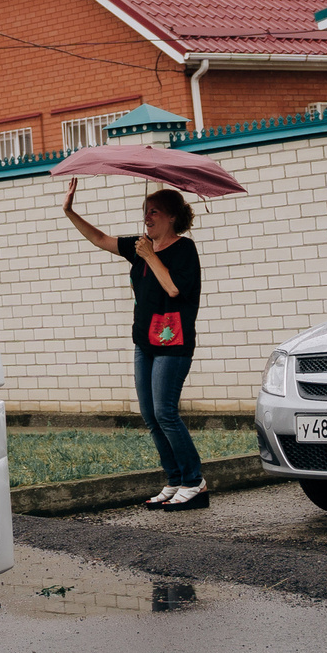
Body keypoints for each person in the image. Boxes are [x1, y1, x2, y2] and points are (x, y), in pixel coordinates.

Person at [62, 180, 207, 509]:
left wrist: (150, 256)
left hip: (173, 342)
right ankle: (175, 479)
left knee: (166, 412)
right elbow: (100, 239)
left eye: (154, 212)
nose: (147, 217)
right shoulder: (140, 246)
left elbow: (173, 288)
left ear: (171, 216)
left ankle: (194, 481)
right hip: (144, 342)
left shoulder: (184, 250)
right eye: (145, 212)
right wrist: (70, 211)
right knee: (150, 416)